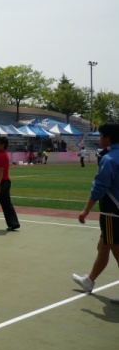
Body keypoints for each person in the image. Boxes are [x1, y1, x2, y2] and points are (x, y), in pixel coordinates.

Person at [71, 122, 119, 301]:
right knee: (103, 246)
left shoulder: (109, 159)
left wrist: (86, 210)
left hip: (112, 213)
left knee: (116, 250)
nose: (99, 139)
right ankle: (89, 281)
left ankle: (89, 281)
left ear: (108, 138)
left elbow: (100, 187)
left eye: (100, 135)